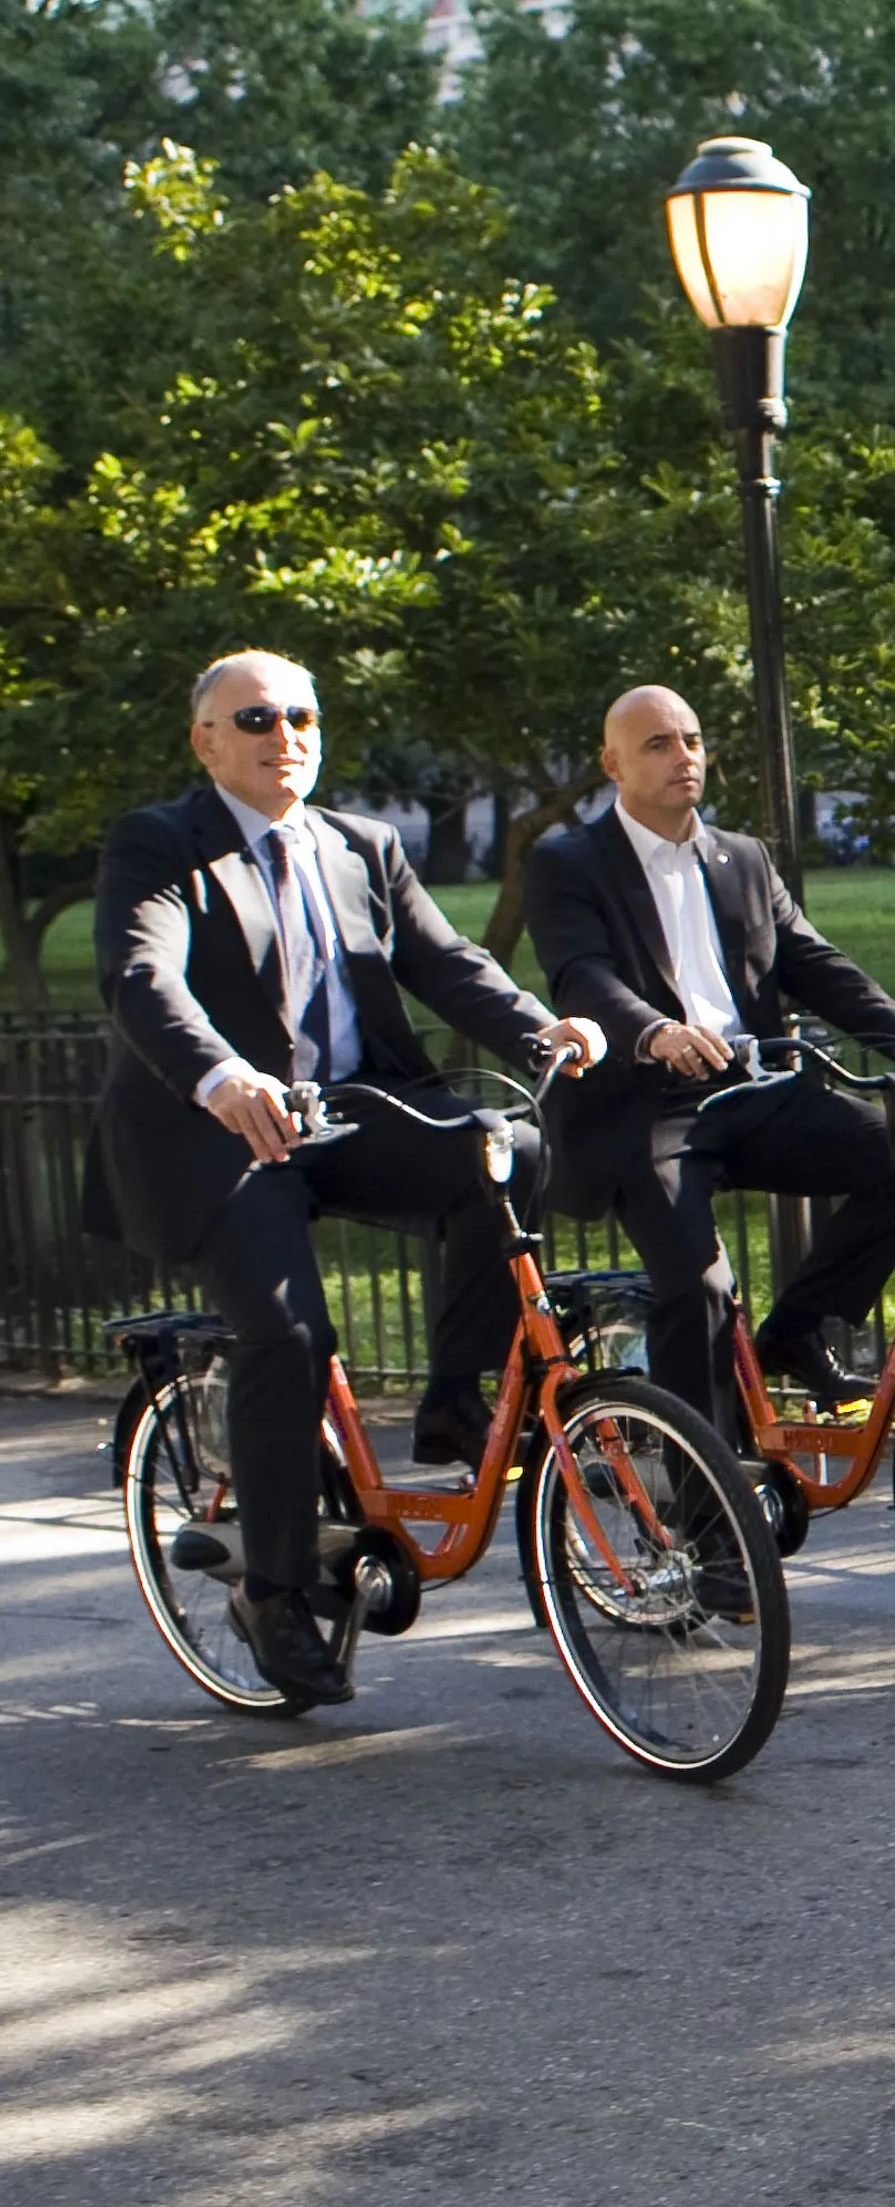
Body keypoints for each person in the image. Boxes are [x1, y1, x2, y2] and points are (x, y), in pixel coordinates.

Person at [87, 651, 607, 1704]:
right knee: (288, 1335)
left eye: (302, 717)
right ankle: (275, 1592)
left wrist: (538, 1027)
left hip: (351, 1112)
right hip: (220, 1134)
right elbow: (144, 976)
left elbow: (447, 961)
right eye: (257, 719)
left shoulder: (360, 844)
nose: (286, 736)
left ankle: (454, 1400)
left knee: (509, 1146)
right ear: (205, 742)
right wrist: (221, 1076)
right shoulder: (161, 842)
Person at [524, 687, 895, 1438]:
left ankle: (797, 1331)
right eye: (659, 744)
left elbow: (811, 961)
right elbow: (582, 976)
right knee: (700, 1290)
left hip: (753, 1091)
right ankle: (708, 1483)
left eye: (692, 740)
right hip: (647, 1107)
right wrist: (653, 1032)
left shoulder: (744, 858)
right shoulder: (568, 862)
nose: (683, 756)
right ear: (613, 764)